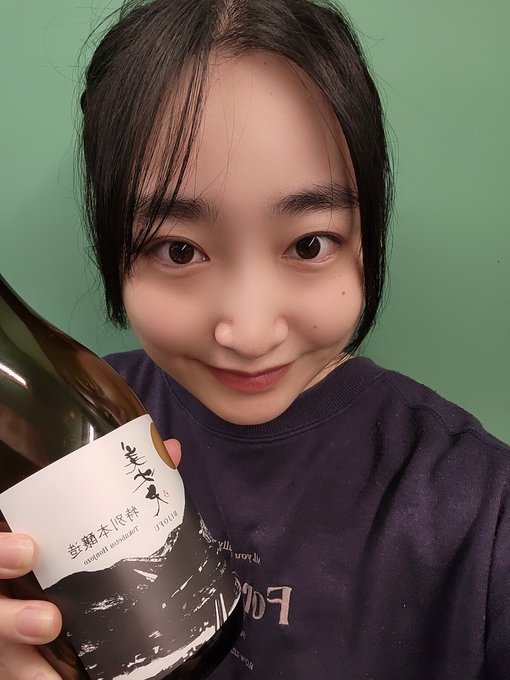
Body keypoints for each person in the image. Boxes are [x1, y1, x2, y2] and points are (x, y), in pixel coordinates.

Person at [0, 0, 509, 678]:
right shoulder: (66, 435)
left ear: (367, 237)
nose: (247, 332)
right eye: (179, 250)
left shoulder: (482, 511)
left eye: (309, 244)